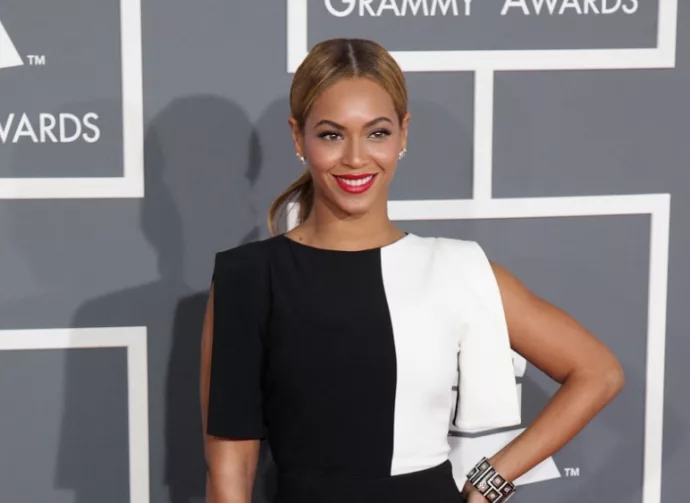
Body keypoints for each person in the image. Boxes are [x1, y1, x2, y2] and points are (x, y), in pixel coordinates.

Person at [199, 38, 625, 503]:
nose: (357, 157)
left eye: (377, 132)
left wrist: (491, 479)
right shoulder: (249, 279)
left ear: (403, 133)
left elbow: (598, 373)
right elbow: (229, 476)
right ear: (298, 137)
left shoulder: (456, 269)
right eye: (332, 134)